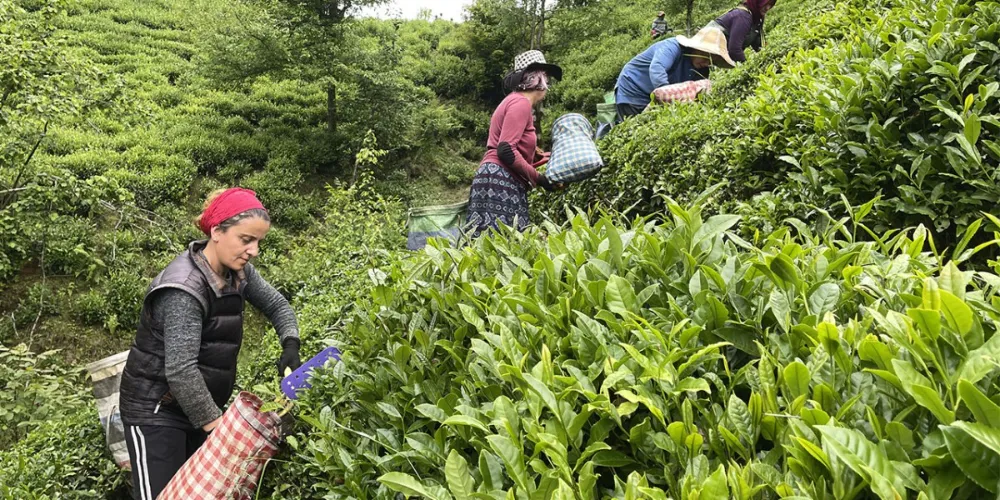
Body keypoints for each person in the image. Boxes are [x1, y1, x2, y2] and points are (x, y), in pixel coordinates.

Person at [118, 188, 302, 499]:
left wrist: (291, 343)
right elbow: (181, 371)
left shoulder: (239, 271)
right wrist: (217, 428)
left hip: (198, 407)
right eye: (246, 240)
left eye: (259, 242)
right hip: (155, 411)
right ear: (217, 231)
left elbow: (277, 305)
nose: (254, 250)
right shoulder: (183, 290)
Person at [466, 50, 562, 239]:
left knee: (486, 245)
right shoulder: (520, 103)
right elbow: (506, 150)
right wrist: (540, 179)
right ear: (538, 80)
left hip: (494, 176)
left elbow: (514, 144)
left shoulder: (513, 101)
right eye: (546, 78)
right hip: (500, 179)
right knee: (506, 244)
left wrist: (540, 156)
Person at [615, 25, 736, 121]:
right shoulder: (672, 47)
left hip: (654, 96)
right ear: (696, 49)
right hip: (633, 90)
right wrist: (667, 98)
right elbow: (657, 69)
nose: (706, 63)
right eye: (705, 57)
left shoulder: (701, 70)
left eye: (711, 62)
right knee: (637, 127)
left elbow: (696, 96)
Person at [711, 0, 776, 63]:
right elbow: (734, 50)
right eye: (765, 4)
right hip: (708, 57)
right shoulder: (743, 16)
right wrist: (747, 66)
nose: (767, 8)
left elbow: (759, 44)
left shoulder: (757, 18)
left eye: (770, 4)